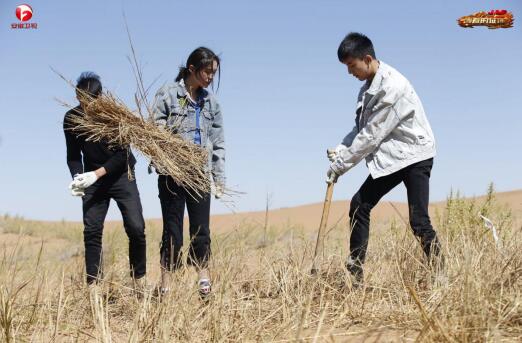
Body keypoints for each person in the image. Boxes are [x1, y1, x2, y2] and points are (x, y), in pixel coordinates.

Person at [326, 33, 441, 284]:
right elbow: (360, 128)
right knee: (359, 204)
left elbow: (371, 135)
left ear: (367, 59)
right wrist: (341, 149)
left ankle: (441, 273)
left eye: (351, 66)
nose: (349, 72)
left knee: (418, 220)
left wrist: (341, 166)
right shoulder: (366, 89)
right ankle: (355, 273)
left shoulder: (392, 87)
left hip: (415, 154)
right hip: (393, 156)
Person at [152, 47, 225, 297]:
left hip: (199, 175)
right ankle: (166, 284)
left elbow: (218, 142)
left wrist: (219, 176)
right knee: (172, 232)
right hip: (172, 174)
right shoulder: (168, 94)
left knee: (201, 230)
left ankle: (203, 278)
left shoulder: (211, 103)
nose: (210, 77)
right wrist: (172, 149)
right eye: (207, 71)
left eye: (214, 73)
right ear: (192, 69)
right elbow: (154, 128)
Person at [64, 72, 147, 289]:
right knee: (91, 230)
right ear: (77, 97)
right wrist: (78, 178)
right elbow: (73, 156)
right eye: (82, 101)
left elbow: (122, 156)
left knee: (136, 227)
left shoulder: (115, 117)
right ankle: (94, 286)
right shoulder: (72, 119)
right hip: (92, 180)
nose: (86, 107)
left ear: (99, 98)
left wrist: (96, 174)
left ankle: (139, 280)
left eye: (90, 101)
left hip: (121, 175)